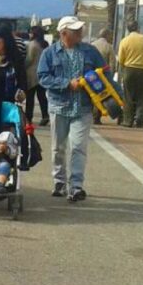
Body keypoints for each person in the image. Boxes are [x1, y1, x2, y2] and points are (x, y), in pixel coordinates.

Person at [37, 16, 106, 202]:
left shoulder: (91, 52)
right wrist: (66, 84)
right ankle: (59, 180)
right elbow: (43, 77)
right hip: (59, 106)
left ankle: (76, 186)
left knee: (78, 147)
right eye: (76, 31)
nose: (80, 33)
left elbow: (105, 73)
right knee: (58, 147)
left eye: (80, 30)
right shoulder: (50, 53)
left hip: (83, 107)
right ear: (64, 33)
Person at [24, 25, 50, 125]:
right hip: (43, 74)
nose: (29, 34)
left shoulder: (32, 45)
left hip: (32, 74)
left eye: (31, 32)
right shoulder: (45, 44)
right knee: (42, 97)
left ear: (34, 34)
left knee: (30, 98)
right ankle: (45, 115)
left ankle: (28, 117)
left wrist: (23, 67)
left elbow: (29, 60)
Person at [91, 28, 115, 124]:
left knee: (91, 94)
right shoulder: (108, 46)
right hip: (103, 75)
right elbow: (112, 64)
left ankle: (90, 115)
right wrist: (111, 77)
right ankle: (96, 116)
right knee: (101, 95)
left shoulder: (92, 45)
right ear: (107, 35)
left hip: (90, 75)